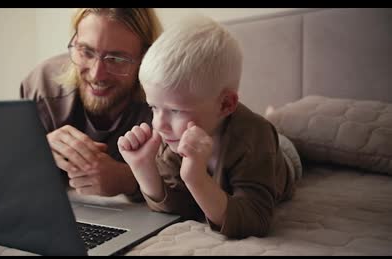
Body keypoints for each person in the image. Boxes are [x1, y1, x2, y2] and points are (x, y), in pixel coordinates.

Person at [117, 16, 302, 239]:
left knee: (286, 139)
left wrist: (196, 178)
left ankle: (278, 118)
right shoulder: (170, 137)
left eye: (175, 110)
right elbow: (180, 208)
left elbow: (255, 219)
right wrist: (144, 169)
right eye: (154, 107)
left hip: (284, 158)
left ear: (225, 104)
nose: (159, 124)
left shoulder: (255, 137)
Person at [20, 8, 162, 200]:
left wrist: (127, 180)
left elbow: (184, 190)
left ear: (145, 57)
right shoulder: (43, 85)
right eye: (86, 52)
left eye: (116, 59)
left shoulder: (164, 99)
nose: (97, 75)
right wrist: (37, 151)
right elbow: (9, 177)